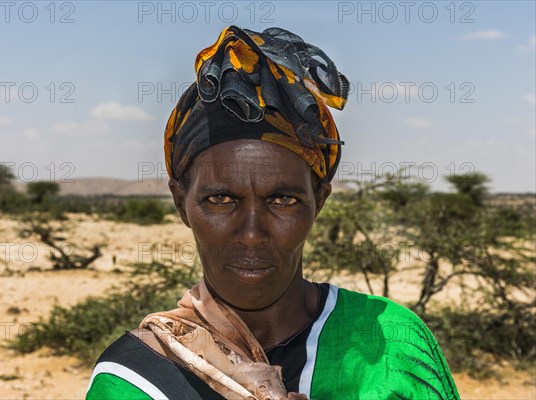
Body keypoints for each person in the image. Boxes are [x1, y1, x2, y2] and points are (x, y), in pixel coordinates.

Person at [85, 26, 460, 400]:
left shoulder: (389, 344)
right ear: (180, 202)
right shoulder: (135, 379)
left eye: (283, 200)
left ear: (320, 201)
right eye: (220, 199)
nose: (251, 233)